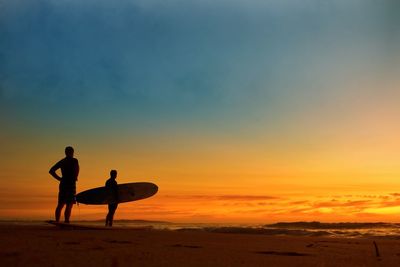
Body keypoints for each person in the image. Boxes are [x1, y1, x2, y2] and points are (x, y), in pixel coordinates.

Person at [49, 146, 79, 223]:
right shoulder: (74, 161)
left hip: (64, 183)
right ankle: (65, 221)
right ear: (71, 153)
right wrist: (75, 177)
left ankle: (58, 221)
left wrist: (60, 179)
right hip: (70, 184)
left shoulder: (62, 161)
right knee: (68, 204)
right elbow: (77, 170)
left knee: (61, 204)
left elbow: (52, 171)